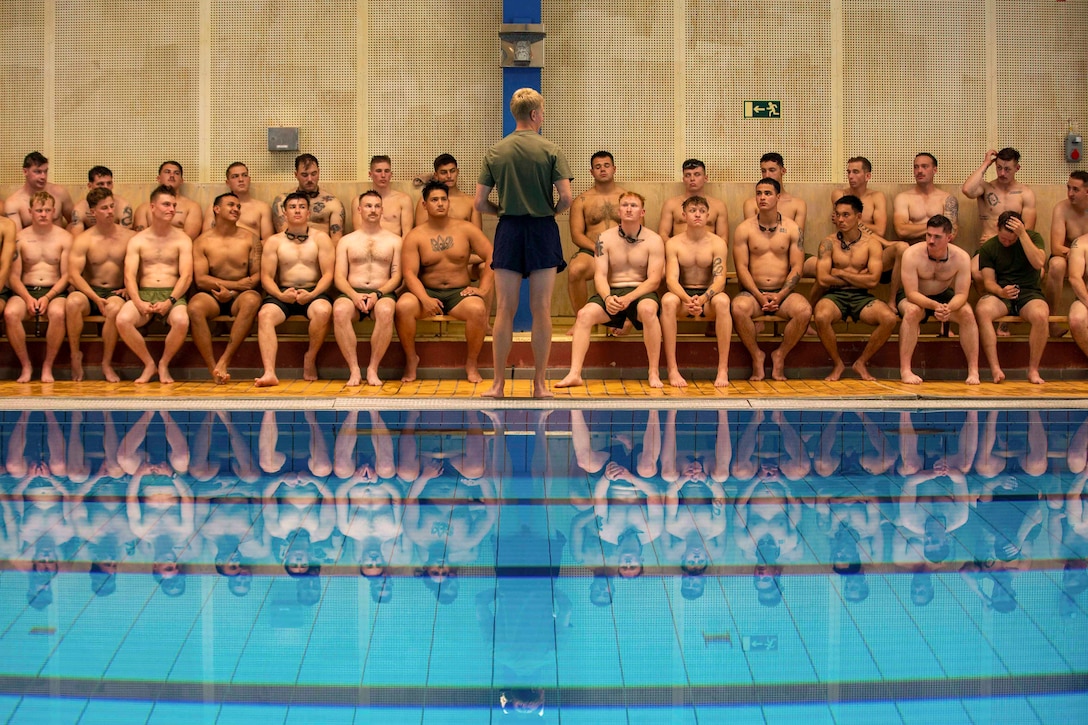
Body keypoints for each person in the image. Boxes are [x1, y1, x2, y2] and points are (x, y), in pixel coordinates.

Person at [475, 87, 573, 398]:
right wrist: (549, 213)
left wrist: (502, 211)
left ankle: (498, 384)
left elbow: (479, 202)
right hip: (543, 229)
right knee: (541, 309)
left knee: (504, 309)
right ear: (534, 115)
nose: (542, 118)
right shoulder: (551, 150)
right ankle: (540, 384)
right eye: (541, 113)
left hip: (510, 230)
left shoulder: (495, 152)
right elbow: (567, 198)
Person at [556, 191, 665, 388]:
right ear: (618, 210)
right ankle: (574, 373)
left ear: (642, 212)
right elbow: (599, 274)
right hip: (612, 291)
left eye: (633, 205)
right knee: (584, 315)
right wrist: (607, 298)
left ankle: (653, 372)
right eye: (625, 205)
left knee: (649, 311)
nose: (629, 209)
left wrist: (630, 298)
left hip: (640, 292)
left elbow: (654, 280)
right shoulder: (603, 239)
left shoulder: (654, 240)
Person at [396, 181, 493, 383]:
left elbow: (493, 256)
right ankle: (411, 359)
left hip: (459, 294)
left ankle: (472, 363)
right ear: (424, 205)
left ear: (449, 202)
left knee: (477, 309)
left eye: (443, 199)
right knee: (403, 306)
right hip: (427, 292)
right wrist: (424, 298)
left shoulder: (466, 229)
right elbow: (409, 273)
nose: (440, 204)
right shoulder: (416, 236)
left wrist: (482, 290)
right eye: (434, 200)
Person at [732, 178, 811, 381]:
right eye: (759, 193)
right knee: (738, 307)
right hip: (753, 293)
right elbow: (741, 268)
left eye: (767, 193)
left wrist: (780, 295)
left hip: (783, 293)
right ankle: (756, 356)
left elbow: (797, 267)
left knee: (804, 311)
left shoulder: (793, 229)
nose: (762, 197)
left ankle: (780, 355)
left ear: (778, 197)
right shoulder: (744, 229)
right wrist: (759, 297)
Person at [813, 195, 898, 381]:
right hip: (835, 295)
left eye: (846, 215)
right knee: (821, 315)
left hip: (862, 297)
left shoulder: (871, 244)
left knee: (889, 318)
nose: (841, 220)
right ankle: (838, 363)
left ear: (859, 217)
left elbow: (873, 281)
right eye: (838, 215)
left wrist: (842, 274)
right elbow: (823, 278)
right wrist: (859, 277)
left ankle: (861, 362)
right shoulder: (828, 243)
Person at [255, 191, 335, 386]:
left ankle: (310, 357)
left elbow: (328, 274)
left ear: (308, 213)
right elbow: (266, 276)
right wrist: (280, 294)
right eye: (292, 207)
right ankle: (269, 372)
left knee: (324, 311)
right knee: (264, 315)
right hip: (282, 293)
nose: (297, 210)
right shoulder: (274, 241)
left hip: (314, 292)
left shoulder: (321, 238)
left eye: (301, 207)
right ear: (285, 213)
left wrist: (313, 294)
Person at [115, 186, 193, 384]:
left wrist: (170, 301)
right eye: (166, 204)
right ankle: (149, 363)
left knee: (182, 320)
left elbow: (186, 276)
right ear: (152, 207)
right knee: (123, 319)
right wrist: (138, 301)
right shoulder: (138, 240)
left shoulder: (182, 239)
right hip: (145, 293)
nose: (171, 209)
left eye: (174, 205)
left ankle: (163, 364)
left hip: (172, 293)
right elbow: (129, 276)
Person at [188, 192, 263, 383]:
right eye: (231, 205)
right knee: (195, 307)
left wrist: (233, 291)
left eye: (238, 207)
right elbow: (201, 280)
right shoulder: (202, 241)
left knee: (253, 300)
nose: (236, 209)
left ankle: (225, 360)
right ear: (216, 209)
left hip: (240, 295)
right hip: (211, 295)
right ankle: (212, 366)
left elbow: (256, 275)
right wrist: (232, 285)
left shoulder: (251, 239)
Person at [897, 214, 979, 384]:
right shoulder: (912, 254)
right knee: (912, 312)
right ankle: (905, 370)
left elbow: (962, 294)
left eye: (937, 237)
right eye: (928, 235)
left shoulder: (961, 257)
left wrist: (948, 308)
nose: (931, 241)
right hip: (916, 295)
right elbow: (911, 293)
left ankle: (973, 371)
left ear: (949, 237)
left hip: (942, 295)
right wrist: (935, 306)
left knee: (967, 313)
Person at [333, 190, 403, 386]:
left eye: (376, 206)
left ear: (382, 210)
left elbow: (397, 275)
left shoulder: (395, 241)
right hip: (351, 292)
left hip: (383, 292)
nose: (373, 210)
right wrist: (354, 296)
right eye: (368, 206)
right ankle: (354, 370)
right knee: (339, 311)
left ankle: (373, 369)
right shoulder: (346, 241)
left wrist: (377, 294)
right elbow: (339, 276)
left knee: (387, 310)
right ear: (359, 209)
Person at [65, 188, 135, 382]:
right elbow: (73, 275)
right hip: (89, 291)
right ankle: (74, 355)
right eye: (104, 208)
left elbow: (140, 268)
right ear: (93, 212)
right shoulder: (83, 239)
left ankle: (106, 362)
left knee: (114, 309)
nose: (110, 211)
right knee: (72, 303)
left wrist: (130, 287)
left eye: (112, 206)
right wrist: (95, 297)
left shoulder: (128, 237)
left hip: (115, 291)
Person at [660, 196, 731, 387]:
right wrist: (687, 300)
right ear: (684, 215)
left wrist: (702, 299)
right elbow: (671, 280)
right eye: (692, 210)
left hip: (708, 297)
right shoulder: (673, 243)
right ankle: (672, 369)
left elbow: (720, 280)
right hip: (683, 296)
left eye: (701, 211)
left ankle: (723, 369)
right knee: (667, 301)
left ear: (708, 215)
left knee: (724, 301)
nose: (697, 214)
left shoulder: (717, 243)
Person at [4, 192, 72, 383]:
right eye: (39, 210)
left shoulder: (64, 238)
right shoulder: (19, 238)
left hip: (55, 290)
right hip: (25, 289)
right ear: (30, 211)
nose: (43, 214)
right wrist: (27, 298)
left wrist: (48, 297)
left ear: (54, 211)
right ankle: (26, 365)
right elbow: (14, 276)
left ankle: (47, 367)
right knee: (10, 313)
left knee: (58, 313)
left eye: (47, 210)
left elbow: (67, 275)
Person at [975, 210, 1048, 384]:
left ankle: (1033, 370)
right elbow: (988, 282)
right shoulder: (988, 247)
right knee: (982, 310)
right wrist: (1001, 292)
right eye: (1003, 239)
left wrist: (1022, 235)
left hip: (1029, 291)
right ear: (997, 229)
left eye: (1011, 239)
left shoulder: (1033, 238)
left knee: (1041, 315)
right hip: (1002, 292)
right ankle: (995, 369)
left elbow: (1038, 263)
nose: (1007, 242)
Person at [567, 151, 625, 316]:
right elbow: (576, 235)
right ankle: (581, 318)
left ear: (614, 168)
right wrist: (597, 248)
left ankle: (624, 321)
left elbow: (638, 230)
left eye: (606, 166)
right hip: (592, 252)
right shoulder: (582, 200)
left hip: (621, 252)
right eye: (598, 167)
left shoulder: (626, 197)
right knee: (575, 270)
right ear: (592, 172)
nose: (603, 170)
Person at [1046, 171, 1088, 335]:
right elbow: (1056, 247)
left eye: (1075, 189)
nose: (1070, 193)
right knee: (1056, 265)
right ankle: (1051, 322)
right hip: (1067, 255)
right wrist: (1076, 254)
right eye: (1068, 188)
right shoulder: (1061, 208)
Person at [272, 154, 345, 243]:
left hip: (322, 251)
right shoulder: (282, 201)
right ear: (296, 174)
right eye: (304, 175)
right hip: (290, 251)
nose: (310, 179)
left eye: (313, 174)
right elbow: (284, 237)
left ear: (319, 172)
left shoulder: (333, 203)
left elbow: (336, 240)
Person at [893, 152, 959, 242]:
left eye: (924, 166)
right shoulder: (903, 198)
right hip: (913, 248)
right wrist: (940, 226)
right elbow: (901, 231)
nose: (919, 171)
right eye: (916, 167)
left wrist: (912, 227)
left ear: (934, 170)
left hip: (940, 249)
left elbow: (951, 234)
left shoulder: (947, 199)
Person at [658, 158, 729, 240]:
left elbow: (723, 238)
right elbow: (663, 235)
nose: (692, 179)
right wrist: (675, 249)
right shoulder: (671, 204)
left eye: (697, 174)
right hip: (679, 250)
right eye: (688, 175)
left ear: (705, 178)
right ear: (683, 179)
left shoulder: (718, 206)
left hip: (707, 251)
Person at [202, 162, 274, 241]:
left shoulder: (262, 208)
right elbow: (206, 238)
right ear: (228, 183)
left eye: (244, 175)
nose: (241, 179)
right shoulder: (216, 207)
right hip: (221, 251)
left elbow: (268, 240)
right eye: (235, 176)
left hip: (251, 250)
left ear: (249, 179)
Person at [132, 161, 203, 240]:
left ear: (181, 180)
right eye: (167, 172)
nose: (172, 175)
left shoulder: (192, 207)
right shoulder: (143, 208)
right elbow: (140, 237)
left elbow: (188, 238)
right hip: (150, 250)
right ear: (158, 178)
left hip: (178, 249)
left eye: (176, 173)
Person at [4, 152, 74, 230]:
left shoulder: (60, 193)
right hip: (30, 241)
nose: (43, 176)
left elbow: (74, 222)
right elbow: (16, 236)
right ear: (25, 172)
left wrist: (66, 238)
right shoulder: (13, 203)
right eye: (38, 172)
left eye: (45, 171)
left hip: (58, 241)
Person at [742, 153, 807, 233]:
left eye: (772, 170)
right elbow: (751, 235)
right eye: (763, 171)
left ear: (783, 171)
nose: (767, 175)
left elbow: (797, 238)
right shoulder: (751, 204)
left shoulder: (798, 204)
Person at [414, 154, 482, 228]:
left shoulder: (471, 202)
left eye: (452, 171)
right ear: (436, 175)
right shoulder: (426, 201)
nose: (449, 176)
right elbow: (420, 233)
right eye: (444, 172)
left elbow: (477, 236)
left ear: (457, 172)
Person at [355, 155, 414, 237]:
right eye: (378, 171)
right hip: (367, 247)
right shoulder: (359, 201)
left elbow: (406, 235)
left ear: (391, 174)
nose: (383, 175)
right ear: (370, 174)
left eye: (386, 171)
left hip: (395, 246)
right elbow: (358, 234)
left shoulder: (403, 200)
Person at [69, 166, 134, 235]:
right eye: (100, 184)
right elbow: (77, 239)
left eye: (109, 183)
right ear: (90, 186)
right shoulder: (80, 209)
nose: (106, 187)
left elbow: (124, 237)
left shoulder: (123, 206)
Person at [832, 156, 888, 235]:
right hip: (846, 243)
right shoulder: (840, 195)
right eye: (849, 172)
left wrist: (854, 222)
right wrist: (861, 224)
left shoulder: (876, 197)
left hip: (870, 244)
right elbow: (842, 228)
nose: (850, 176)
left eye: (855, 172)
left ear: (867, 176)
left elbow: (880, 231)